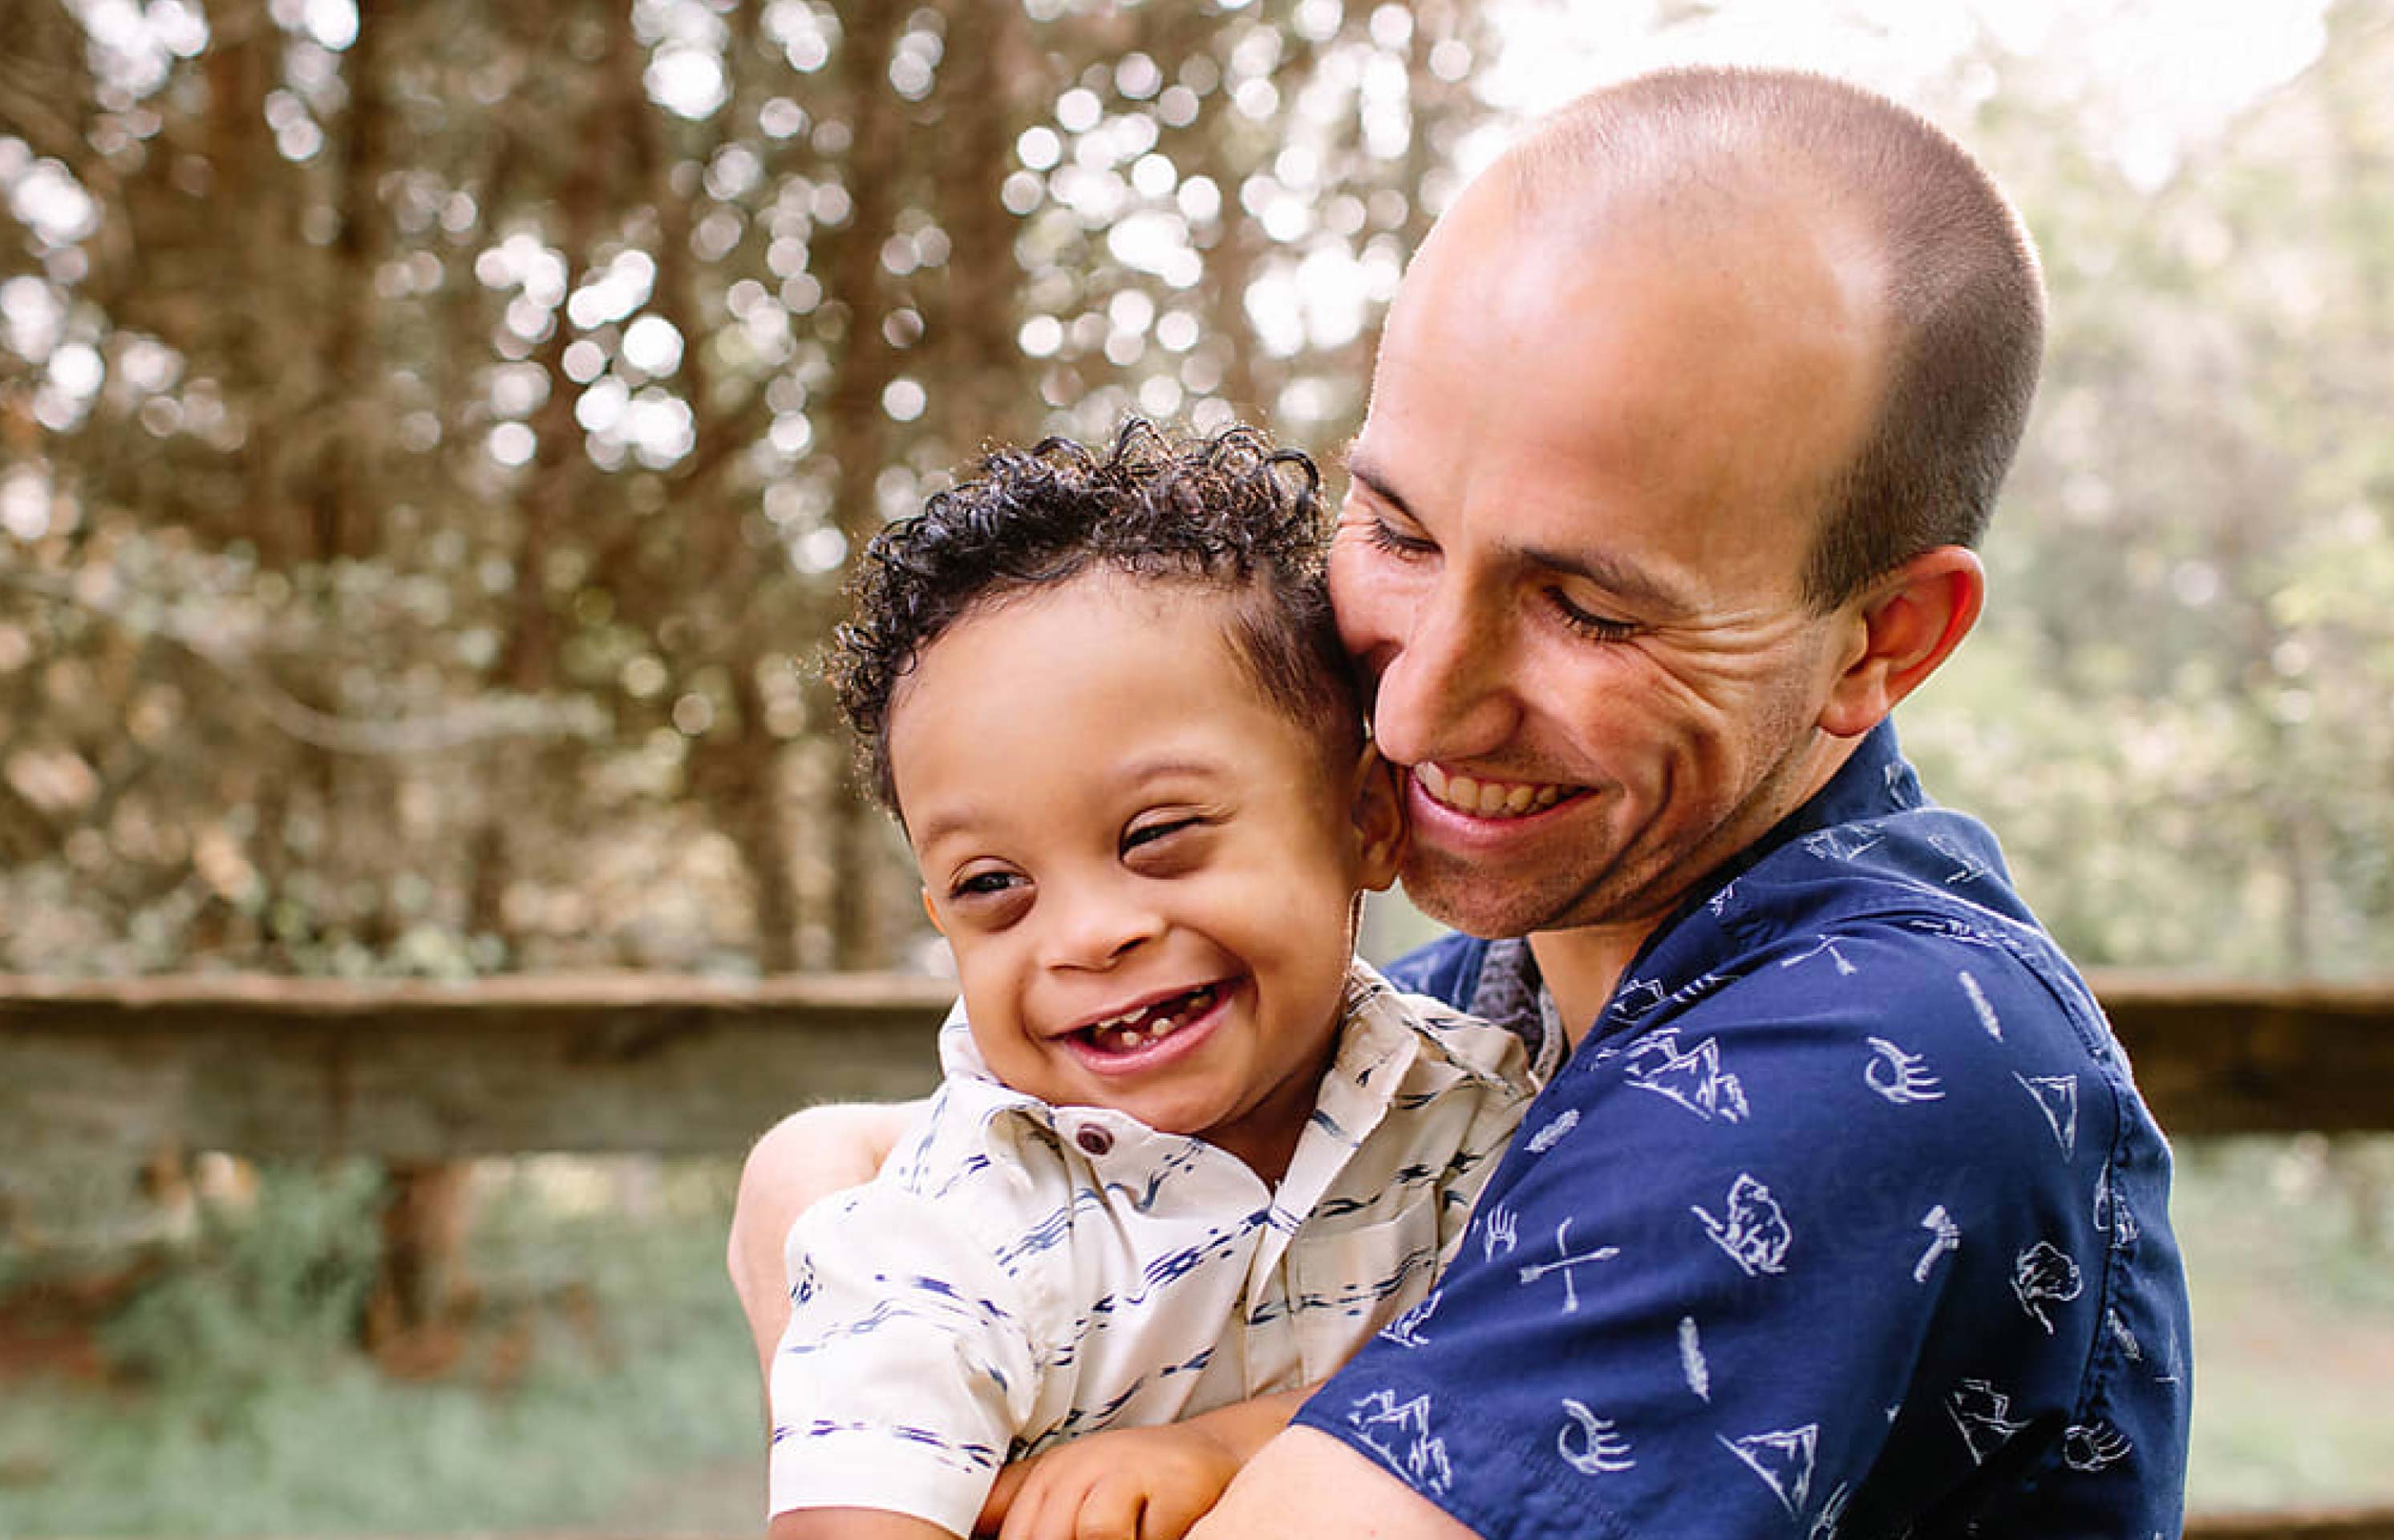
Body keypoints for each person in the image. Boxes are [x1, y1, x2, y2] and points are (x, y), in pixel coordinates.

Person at [735, 65, 2193, 1538]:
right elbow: (851, 1170)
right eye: (1400, 530)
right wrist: (819, 1205)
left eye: (1588, 609)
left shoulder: (1866, 1056)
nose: (1415, 708)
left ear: (1880, 639)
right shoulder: (1469, 1011)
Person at [765, 422, 1537, 1540]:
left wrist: (1225, 1448)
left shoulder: (1491, 1113)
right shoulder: (933, 1241)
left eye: (1156, 834)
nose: (1086, 936)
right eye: (992, 885)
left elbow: (1531, 1383)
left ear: (1365, 819)